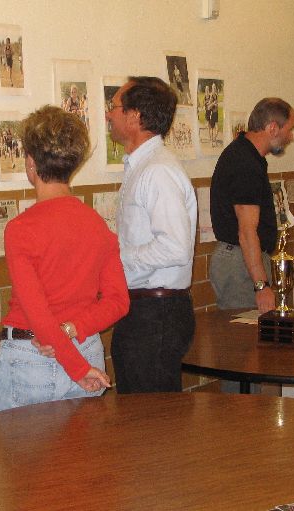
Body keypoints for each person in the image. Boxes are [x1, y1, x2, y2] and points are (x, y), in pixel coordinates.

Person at [0, 105, 129, 413]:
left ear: (30, 163)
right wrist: (73, 331)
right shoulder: (97, 224)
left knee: (13, 447)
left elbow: (39, 316)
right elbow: (118, 302)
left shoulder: (21, 229)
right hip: (85, 349)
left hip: (32, 359)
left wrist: (77, 368)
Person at [105, 76, 197, 393]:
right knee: (138, 412)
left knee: (150, 416)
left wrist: (117, 260)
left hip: (156, 314)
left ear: (135, 116)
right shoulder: (142, 166)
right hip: (144, 311)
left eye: (114, 106)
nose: (108, 114)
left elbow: (175, 248)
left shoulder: (157, 171)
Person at [210, 98, 294, 313]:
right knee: (246, 332)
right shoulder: (245, 163)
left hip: (242, 259)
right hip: (240, 263)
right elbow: (247, 231)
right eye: (289, 129)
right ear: (272, 128)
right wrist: (261, 285)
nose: (291, 137)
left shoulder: (247, 155)